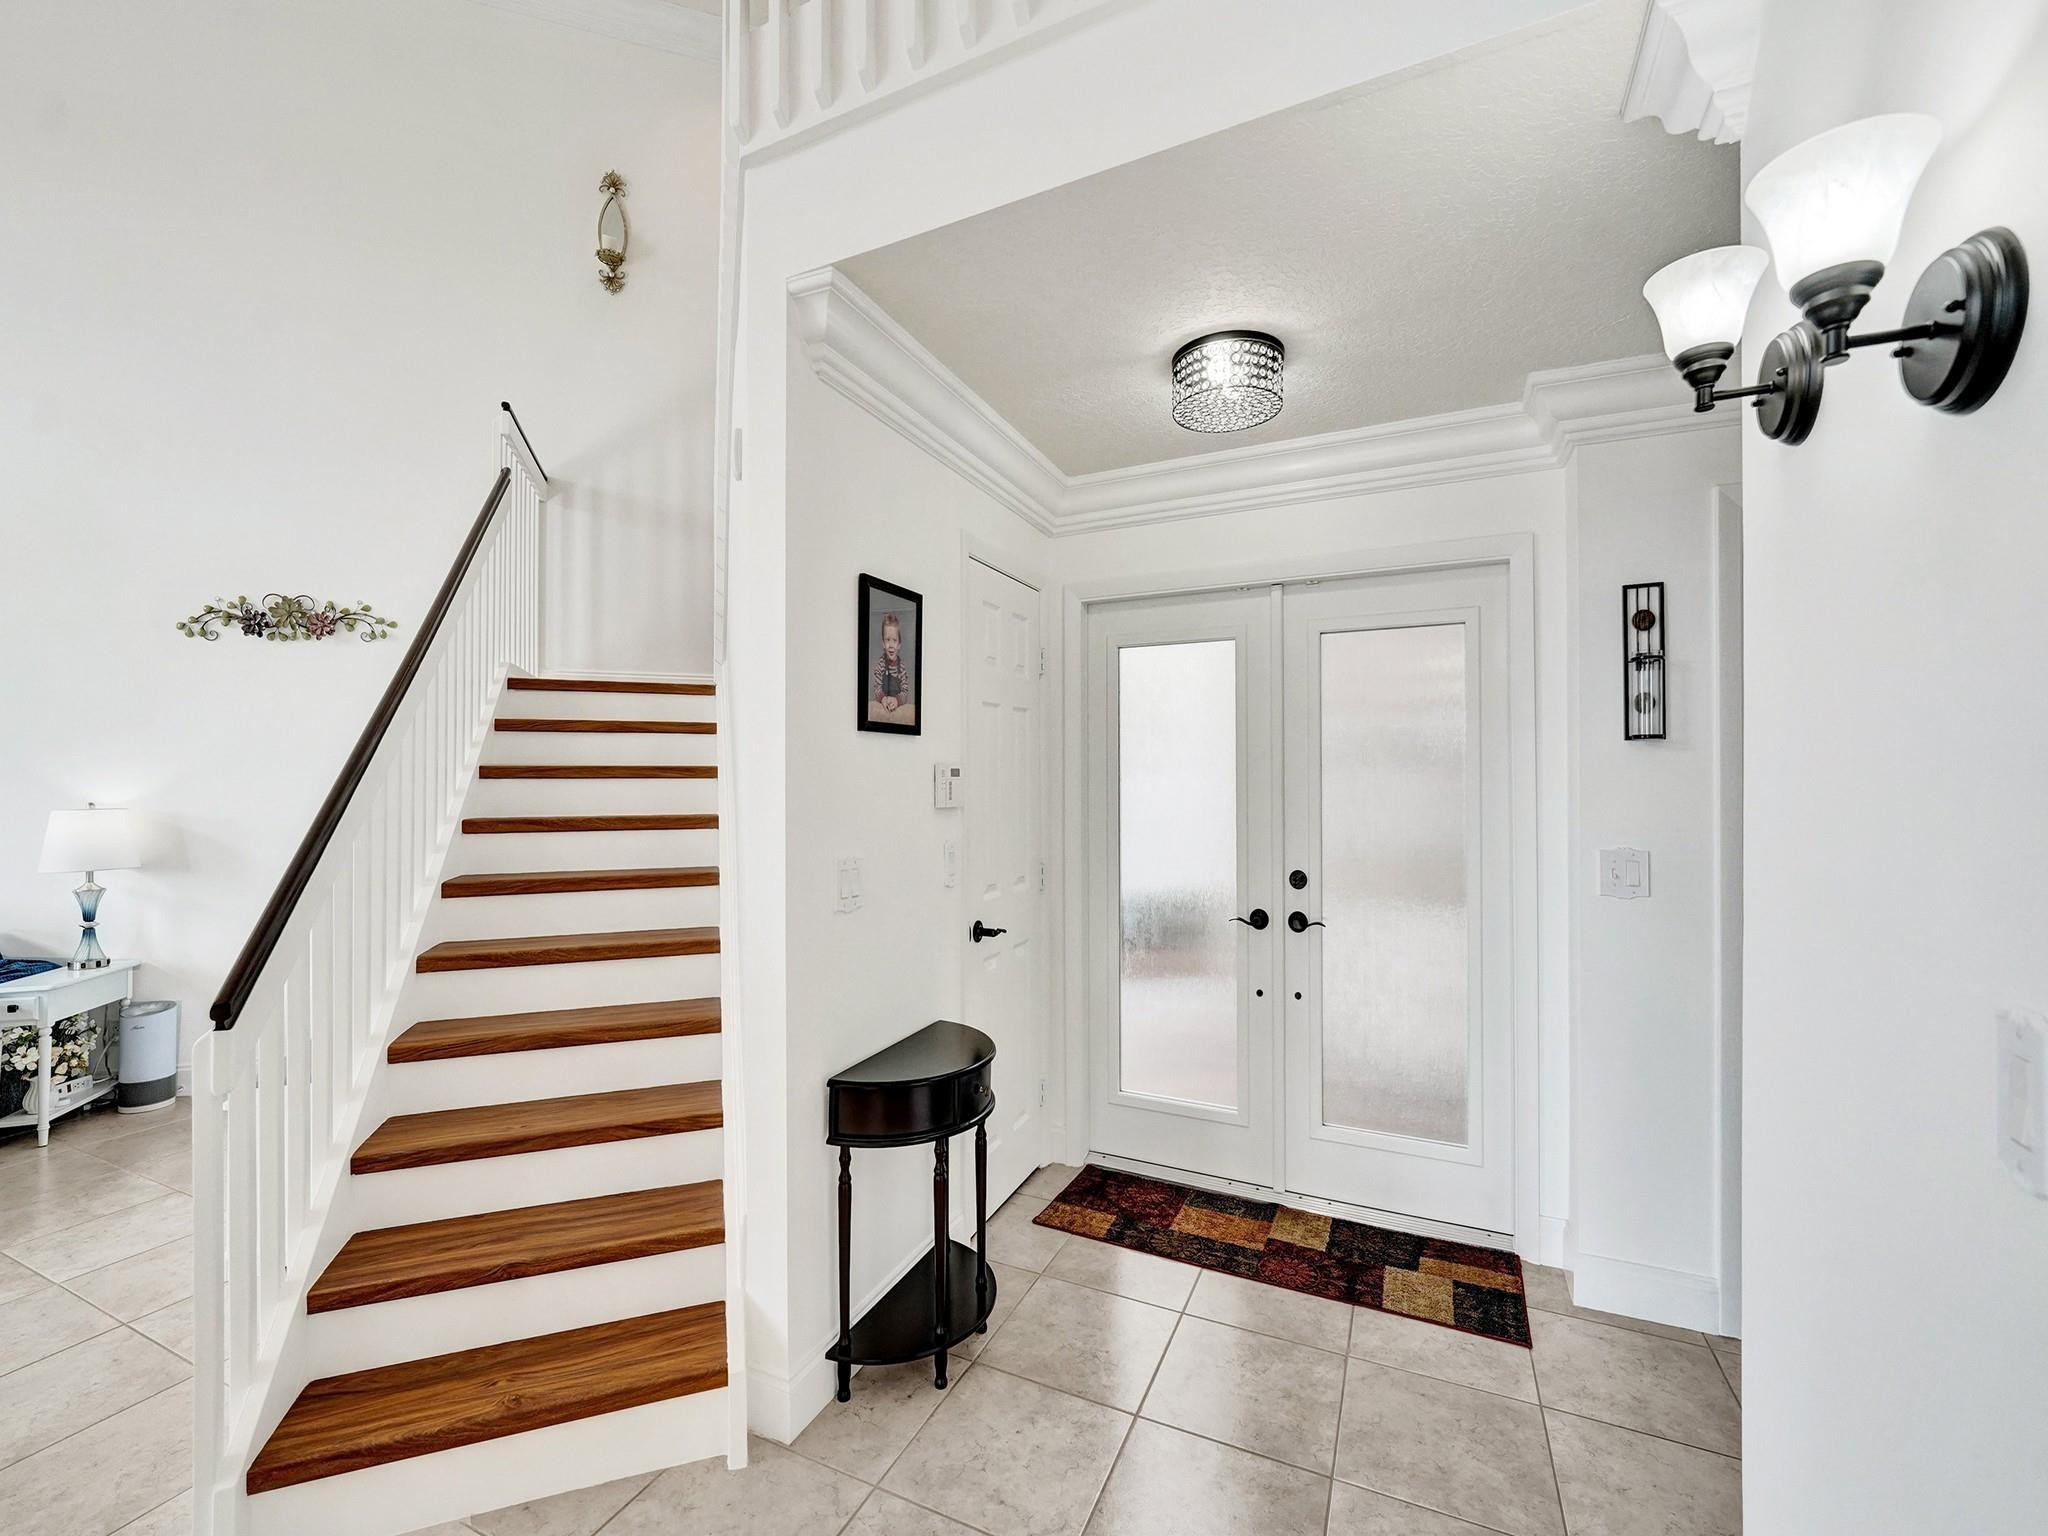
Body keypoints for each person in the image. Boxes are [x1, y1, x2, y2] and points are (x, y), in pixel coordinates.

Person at [870, 610, 913, 721]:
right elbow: (877, 688)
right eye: (888, 640)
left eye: (894, 640)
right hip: (883, 704)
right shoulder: (880, 665)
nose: (891, 645)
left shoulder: (901, 668)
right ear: (883, 643)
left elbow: (905, 691)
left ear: (899, 644)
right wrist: (883, 699)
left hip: (897, 706)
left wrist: (897, 701)